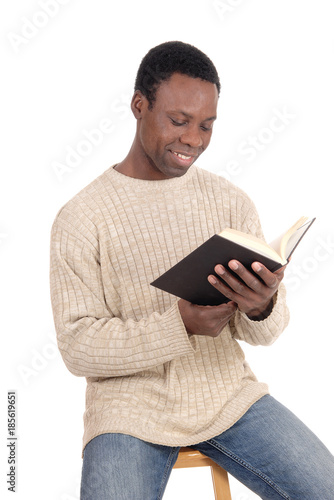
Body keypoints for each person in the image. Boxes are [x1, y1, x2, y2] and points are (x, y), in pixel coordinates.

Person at [50, 41, 334, 499]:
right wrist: (178, 325)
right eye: (179, 121)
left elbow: (266, 334)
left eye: (206, 125)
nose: (194, 140)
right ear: (139, 106)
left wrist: (261, 306)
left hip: (227, 397)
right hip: (128, 410)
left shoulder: (229, 200)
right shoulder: (82, 217)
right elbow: (78, 348)